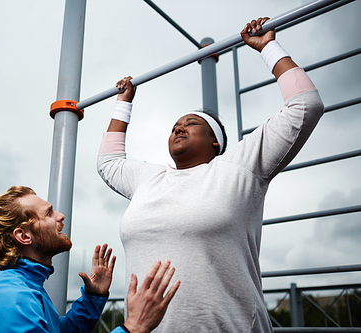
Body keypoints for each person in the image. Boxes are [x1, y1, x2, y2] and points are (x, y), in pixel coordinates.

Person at [97, 17, 324, 332]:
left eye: (191, 122)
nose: (179, 126)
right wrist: (123, 103)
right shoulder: (150, 179)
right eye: (176, 124)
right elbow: (109, 162)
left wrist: (268, 47)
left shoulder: (239, 166)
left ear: (215, 140)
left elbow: (305, 105)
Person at [0, 186, 180, 333]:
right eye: (49, 213)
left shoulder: (25, 288)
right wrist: (133, 327)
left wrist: (93, 297)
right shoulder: (11, 299)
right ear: (24, 236)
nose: (60, 216)